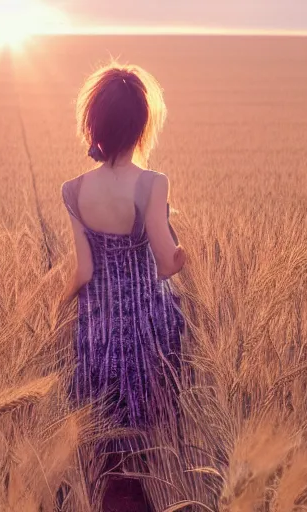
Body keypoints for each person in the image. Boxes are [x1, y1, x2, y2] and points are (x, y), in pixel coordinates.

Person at [61, 62, 186, 439]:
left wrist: (55, 306)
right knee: (183, 321)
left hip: (97, 332)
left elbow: (83, 271)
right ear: (141, 127)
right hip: (148, 332)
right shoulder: (152, 184)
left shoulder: (73, 189)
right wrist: (187, 253)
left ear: (93, 125)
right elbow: (166, 265)